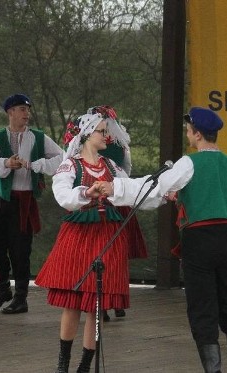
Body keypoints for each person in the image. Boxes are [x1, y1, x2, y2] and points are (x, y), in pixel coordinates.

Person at [105, 107, 227, 373]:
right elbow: (212, 194)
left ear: (197, 133)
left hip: (200, 238)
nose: (187, 134)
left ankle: (214, 370)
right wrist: (181, 196)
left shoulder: (189, 162)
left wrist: (115, 188)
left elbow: (153, 187)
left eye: (188, 130)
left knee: (202, 304)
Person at [35, 110, 134, 373]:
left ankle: (84, 366)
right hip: (79, 237)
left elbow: (130, 192)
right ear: (88, 134)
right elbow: (63, 196)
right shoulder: (71, 165)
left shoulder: (112, 167)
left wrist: (160, 190)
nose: (107, 135)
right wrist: (86, 192)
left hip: (106, 236)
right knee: (72, 302)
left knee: (96, 305)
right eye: (102, 131)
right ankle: (62, 365)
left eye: (107, 131)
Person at [0, 93, 64, 314]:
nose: (26, 114)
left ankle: (21, 298)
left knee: (20, 250)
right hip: (2, 201)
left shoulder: (38, 137)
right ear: (10, 112)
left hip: (25, 201)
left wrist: (35, 165)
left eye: (27, 110)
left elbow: (62, 157)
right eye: (21, 109)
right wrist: (7, 163)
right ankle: (3, 290)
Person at [85, 105, 148, 322]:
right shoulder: (121, 145)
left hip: (100, 203)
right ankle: (117, 301)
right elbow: (127, 172)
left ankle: (100, 303)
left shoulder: (91, 146)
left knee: (97, 252)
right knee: (117, 255)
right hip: (120, 200)